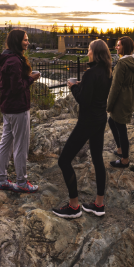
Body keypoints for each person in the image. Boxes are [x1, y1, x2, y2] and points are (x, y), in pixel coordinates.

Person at [52, 39, 112, 219]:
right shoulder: (107, 72)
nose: (87, 53)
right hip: (100, 120)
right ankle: (99, 204)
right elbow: (95, 94)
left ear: (96, 53)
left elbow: (84, 101)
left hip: (87, 122)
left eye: (89, 50)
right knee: (97, 159)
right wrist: (82, 85)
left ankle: (74, 206)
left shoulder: (90, 73)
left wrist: (73, 88)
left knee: (64, 161)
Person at [0, 29, 40, 193]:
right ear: (17, 41)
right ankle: (21, 182)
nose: (27, 42)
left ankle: (1, 180)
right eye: (25, 40)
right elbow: (17, 87)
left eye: (27, 40)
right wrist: (31, 79)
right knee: (21, 145)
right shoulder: (14, 61)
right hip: (18, 108)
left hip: (8, 108)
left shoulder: (8, 58)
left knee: (6, 142)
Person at [107, 36, 134, 169]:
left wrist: (109, 105)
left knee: (121, 128)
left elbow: (116, 86)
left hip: (121, 98)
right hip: (129, 95)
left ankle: (125, 160)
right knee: (112, 121)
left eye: (119, 45)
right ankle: (120, 149)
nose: (116, 47)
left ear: (125, 47)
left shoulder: (122, 63)